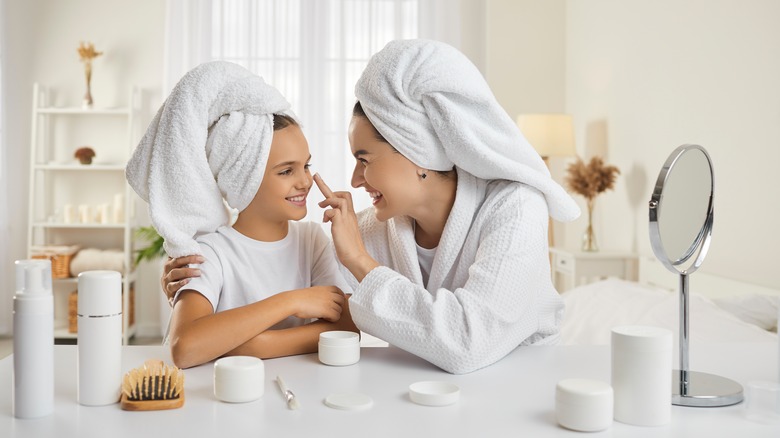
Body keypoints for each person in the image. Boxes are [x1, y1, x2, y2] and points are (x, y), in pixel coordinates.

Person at [164, 40, 580, 374]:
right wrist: (192, 287)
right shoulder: (373, 231)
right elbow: (316, 295)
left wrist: (359, 263)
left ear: (415, 152)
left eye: (364, 159)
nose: (354, 181)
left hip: (527, 386)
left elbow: (468, 342)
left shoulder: (515, 208)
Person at [126, 61, 356, 369]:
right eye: (286, 171)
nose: (304, 181)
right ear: (242, 178)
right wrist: (291, 301)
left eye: (306, 166)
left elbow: (345, 330)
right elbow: (185, 348)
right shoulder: (211, 252)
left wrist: (254, 344)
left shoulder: (312, 241)